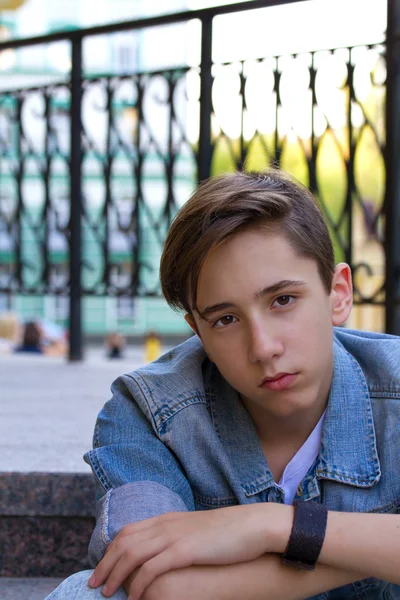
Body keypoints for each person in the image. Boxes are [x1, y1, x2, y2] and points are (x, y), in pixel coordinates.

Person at [46, 170, 400, 600]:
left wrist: (271, 526)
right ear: (198, 331)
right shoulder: (150, 411)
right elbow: (154, 584)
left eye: (283, 300)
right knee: (85, 594)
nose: (264, 348)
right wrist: (371, 550)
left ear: (338, 293)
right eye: (226, 319)